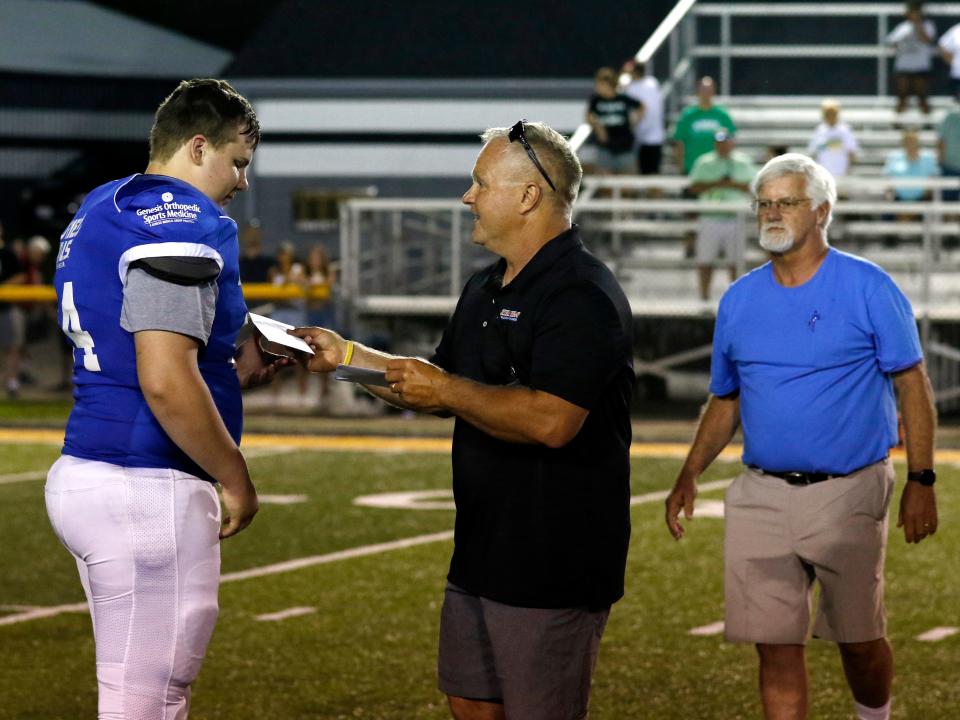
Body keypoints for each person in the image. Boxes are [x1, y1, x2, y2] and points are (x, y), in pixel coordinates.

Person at [292, 120, 635, 720]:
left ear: (529, 196)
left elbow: (551, 421)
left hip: (553, 556)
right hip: (483, 546)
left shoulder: (581, 294)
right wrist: (344, 357)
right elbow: (431, 384)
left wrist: (447, 389)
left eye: (480, 183)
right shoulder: (486, 284)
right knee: (470, 700)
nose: (467, 197)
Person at [45, 78, 287, 719]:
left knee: (141, 693)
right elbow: (163, 374)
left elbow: (140, 338)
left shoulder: (104, 204)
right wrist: (235, 477)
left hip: (90, 467)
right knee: (147, 700)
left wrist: (233, 361)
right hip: (143, 482)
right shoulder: (180, 218)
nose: (240, 182)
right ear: (199, 147)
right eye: (238, 162)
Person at [665, 153, 938, 720]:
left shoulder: (868, 286)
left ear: (821, 212)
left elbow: (912, 382)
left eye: (786, 201)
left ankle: (874, 715)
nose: (772, 212)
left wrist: (921, 478)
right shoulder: (739, 298)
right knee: (775, 646)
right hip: (760, 490)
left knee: (860, 642)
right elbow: (726, 397)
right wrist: (689, 473)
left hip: (850, 488)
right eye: (764, 203)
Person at [688, 130, 757, 300]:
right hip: (710, 216)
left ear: (732, 143)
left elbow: (754, 187)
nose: (723, 145)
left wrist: (731, 184)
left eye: (726, 142)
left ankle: (736, 300)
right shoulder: (704, 162)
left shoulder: (744, 162)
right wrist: (717, 183)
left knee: (735, 262)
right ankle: (704, 296)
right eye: (719, 142)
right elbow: (693, 187)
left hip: (735, 218)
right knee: (705, 260)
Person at [672, 76, 736, 176]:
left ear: (714, 91)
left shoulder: (722, 114)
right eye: (703, 90)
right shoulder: (688, 115)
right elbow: (680, 142)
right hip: (691, 167)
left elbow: (730, 140)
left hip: (717, 169)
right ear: (697, 91)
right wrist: (680, 166)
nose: (706, 93)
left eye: (709, 90)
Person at [586, 66, 641, 174]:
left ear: (608, 84)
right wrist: (598, 128)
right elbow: (589, 115)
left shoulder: (623, 98)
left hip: (625, 144)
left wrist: (635, 120)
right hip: (605, 146)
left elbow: (641, 106)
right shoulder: (596, 100)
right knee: (604, 181)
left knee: (627, 181)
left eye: (600, 84)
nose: (597, 87)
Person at [886, 2, 937, 115]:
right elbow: (891, 43)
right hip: (904, 66)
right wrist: (902, 38)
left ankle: (927, 121)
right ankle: (897, 122)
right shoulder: (902, 27)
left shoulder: (928, 25)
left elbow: (927, 40)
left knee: (922, 94)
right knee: (902, 94)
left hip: (920, 66)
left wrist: (917, 26)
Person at [623, 60, 665, 176]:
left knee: (647, 176)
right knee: (651, 175)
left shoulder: (632, 88)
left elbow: (642, 111)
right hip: (653, 138)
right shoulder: (653, 83)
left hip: (641, 139)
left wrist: (632, 126)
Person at [883, 128, 939, 203]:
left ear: (917, 142)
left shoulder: (928, 158)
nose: (910, 144)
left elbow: (933, 180)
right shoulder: (894, 157)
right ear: (903, 142)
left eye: (913, 141)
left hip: (923, 201)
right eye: (908, 141)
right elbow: (888, 180)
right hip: (897, 200)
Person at [807, 99, 859, 178]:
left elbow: (851, 152)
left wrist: (848, 171)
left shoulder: (844, 130)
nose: (830, 116)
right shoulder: (819, 131)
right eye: (827, 113)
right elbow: (813, 152)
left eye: (832, 113)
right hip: (823, 174)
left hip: (840, 173)